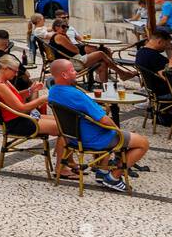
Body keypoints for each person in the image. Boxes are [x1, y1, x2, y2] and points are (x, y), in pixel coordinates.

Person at [47, 59, 151, 192]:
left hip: (72, 137)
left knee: (119, 135)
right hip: (94, 139)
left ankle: (102, 172)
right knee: (143, 143)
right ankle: (113, 177)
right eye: (72, 70)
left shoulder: (54, 91)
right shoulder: (77, 95)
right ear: (65, 75)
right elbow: (104, 120)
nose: (76, 72)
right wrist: (117, 131)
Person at [0, 54, 73, 178]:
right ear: (5, 68)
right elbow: (21, 108)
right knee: (65, 128)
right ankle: (61, 168)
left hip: (21, 117)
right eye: (14, 71)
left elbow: (17, 97)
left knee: (65, 121)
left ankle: (69, 162)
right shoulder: (1, 86)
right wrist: (43, 99)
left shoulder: (5, 82)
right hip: (18, 122)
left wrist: (31, 90)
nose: (16, 74)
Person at [49, 18, 137, 84]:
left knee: (103, 63)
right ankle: (122, 73)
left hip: (71, 60)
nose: (66, 29)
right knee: (100, 53)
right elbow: (76, 50)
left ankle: (104, 90)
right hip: (72, 62)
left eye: (67, 27)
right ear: (56, 27)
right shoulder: (59, 37)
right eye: (63, 27)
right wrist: (68, 39)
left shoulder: (60, 36)